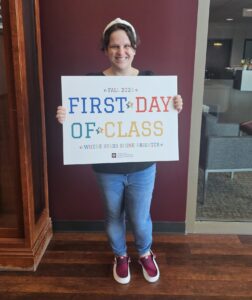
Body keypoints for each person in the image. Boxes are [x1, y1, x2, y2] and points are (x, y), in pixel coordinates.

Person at [56, 17, 183, 284]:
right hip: (107, 168)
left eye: (126, 45)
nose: (121, 51)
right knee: (114, 214)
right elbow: (82, 116)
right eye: (114, 46)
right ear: (105, 49)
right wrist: (66, 116)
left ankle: (146, 253)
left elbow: (160, 117)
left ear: (135, 48)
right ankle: (120, 256)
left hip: (143, 167)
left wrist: (174, 105)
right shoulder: (91, 82)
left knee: (139, 217)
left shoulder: (150, 80)